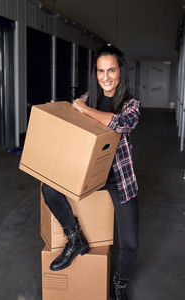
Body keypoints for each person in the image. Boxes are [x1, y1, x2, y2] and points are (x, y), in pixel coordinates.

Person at [42, 43, 141, 300]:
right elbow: (72, 120)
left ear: (121, 72)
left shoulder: (131, 104)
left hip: (119, 179)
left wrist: (83, 111)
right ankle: (75, 238)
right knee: (48, 188)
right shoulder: (88, 98)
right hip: (89, 173)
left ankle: (119, 282)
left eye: (111, 70)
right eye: (100, 71)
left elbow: (120, 124)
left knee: (130, 242)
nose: (105, 77)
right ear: (95, 74)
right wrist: (60, 111)